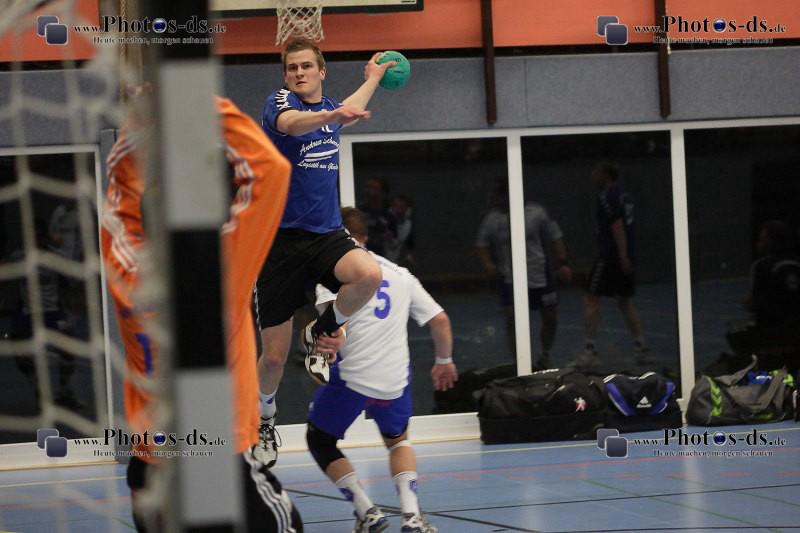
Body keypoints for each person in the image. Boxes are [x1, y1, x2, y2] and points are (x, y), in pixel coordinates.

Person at [101, 94, 302, 532]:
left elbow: (119, 199)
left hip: (152, 468)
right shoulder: (221, 273)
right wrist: (190, 98)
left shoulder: (125, 273)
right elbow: (270, 169)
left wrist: (134, 128)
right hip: (218, 461)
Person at [255, 39, 393, 464]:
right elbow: (294, 124)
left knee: (369, 275)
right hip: (279, 243)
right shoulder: (281, 104)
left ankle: (322, 330)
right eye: (292, 68)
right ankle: (264, 418)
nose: (298, 73)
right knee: (274, 358)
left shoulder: (333, 108)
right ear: (286, 76)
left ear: (321, 71)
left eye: (306, 66)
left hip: (325, 234)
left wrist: (372, 78)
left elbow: (347, 108)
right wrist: (332, 116)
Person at [305, 207, 456, 533]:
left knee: (320, 440)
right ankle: (412, 517)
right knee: (398, 441)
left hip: (354, 378)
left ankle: (367, 512)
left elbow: (336, 322)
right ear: (365, 237)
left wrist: (332, 341)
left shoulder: (335, 273)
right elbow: (440, 320)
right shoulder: (401, 274)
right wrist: (444, 361)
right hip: (394, 381)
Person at [475, 181, 572, 369]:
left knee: (550, 317)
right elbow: (481, 244)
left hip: (538, 274)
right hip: (509, 277)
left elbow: (556, 236)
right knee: (512, 318)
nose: (496, 200)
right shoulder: (492, 219)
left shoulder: (537, 212)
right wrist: (488, 264)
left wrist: (563, 263)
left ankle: (545, 354)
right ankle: (518, 361)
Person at [576, 160, 649, 370]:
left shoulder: (607, 196)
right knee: (625, 301)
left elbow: (617, 225)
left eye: (596, 172)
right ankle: (641, 347)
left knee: (591, 298)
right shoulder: (624, 195)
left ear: (605, 175)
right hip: (625, 254)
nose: (592, 176)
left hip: (610, 256)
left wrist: (622, 255)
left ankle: (589, 351)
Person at [727, 220, 800, 360]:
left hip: (771, 333)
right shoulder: (797, 263)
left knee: (734, 331)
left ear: (771, 242)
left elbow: (752, 304)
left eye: (762, 239)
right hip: (796, 332)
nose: (758, 243)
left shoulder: (762, 266)